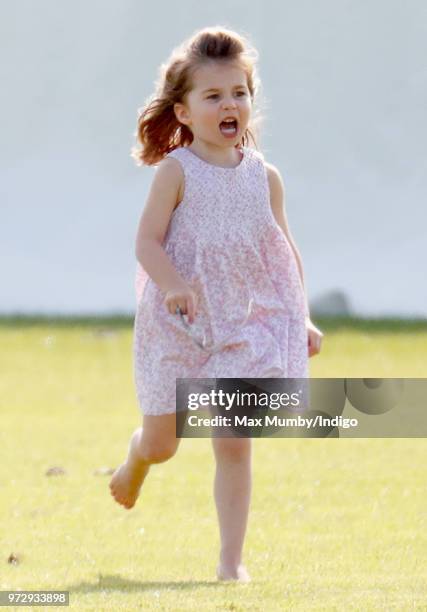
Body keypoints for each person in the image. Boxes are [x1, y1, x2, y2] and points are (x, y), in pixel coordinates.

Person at [109, 25, 324, 583]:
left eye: (240, 93)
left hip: (238, 329)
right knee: (164, 443)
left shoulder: (264, 177)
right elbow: (146, 243)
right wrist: (174, 284)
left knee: (233, 440)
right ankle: (136, 459)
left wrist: (299, 314)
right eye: (214, 96)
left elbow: (282, 250)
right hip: (173, 328)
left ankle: (231, 564)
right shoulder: (175, 173)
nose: (231, 104)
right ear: (183, 113)